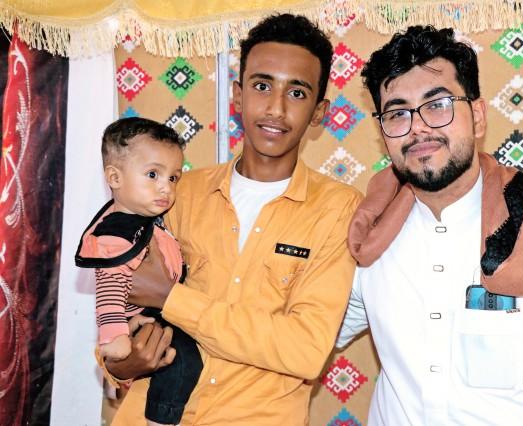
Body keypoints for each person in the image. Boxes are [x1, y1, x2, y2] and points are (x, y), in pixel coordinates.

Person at [337, 26, 523, 425]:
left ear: (477, 117)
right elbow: (318, 332)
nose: (418, 127)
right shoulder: (371, 237)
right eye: (398, 113)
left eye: (437, 104)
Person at [104, 14, 362, 425]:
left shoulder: (338, 209)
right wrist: (120, 364)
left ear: (319, 112)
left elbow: (305, 351)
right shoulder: (176, 194)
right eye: (262, 86)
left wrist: (172, 299)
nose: (276, 109)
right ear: (238, 95)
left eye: (297, 92)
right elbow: (119, 299)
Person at [74, 117, 202, 426]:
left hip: (158, 312)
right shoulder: (118, 232)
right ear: (114, 177)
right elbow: (110, 285)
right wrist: (114, 335)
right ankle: (160, 420)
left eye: (173, 178)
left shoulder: (144, 222)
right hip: (146, 317)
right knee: (184, 360)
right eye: (153, 174)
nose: (166, 187)